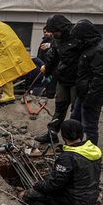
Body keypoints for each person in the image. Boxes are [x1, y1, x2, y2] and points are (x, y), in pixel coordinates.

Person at [23, 120, 101, 205]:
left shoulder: (67, 158)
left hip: (74, 200)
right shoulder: (94, 150)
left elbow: (53, 185)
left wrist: (37, 185)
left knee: (28, 196)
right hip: (92, 197)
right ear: (82, 134)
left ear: (63, 136)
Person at [35, 15, 83, 143]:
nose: (54, 34)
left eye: (55, 31)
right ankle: (52, 134)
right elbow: (53, 56)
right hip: (63, 78)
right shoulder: (57, 39)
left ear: (62, 28)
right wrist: (47, 71)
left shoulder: (78, 36)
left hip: (77, 80)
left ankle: (75, 140)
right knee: (60, 107)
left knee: (75, 111)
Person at [65, 20, 103, 146]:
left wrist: (90, 99)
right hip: (84, 94)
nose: (77, 41)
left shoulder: (99, 51)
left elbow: (100, 78)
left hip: (92, 97)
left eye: (78, 38)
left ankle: (90, 156)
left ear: (84, 36)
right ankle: (75, 149)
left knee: (89, 127)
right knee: (75, 121)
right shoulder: (88, 47)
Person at [37, 27, 58, 98]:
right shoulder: (43, 42)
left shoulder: (55, 41)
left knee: (50, 82)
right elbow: (39, 54)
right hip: (43, 65)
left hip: (51, 67)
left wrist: (49, 46)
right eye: (44, 32)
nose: (46, 33)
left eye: (47, 32)